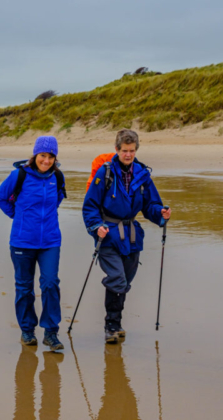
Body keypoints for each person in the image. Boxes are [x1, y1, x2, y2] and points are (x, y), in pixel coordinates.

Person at [82, 129, 171, 343]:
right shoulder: (105, 173)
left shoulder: (142, 173)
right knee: (118, 279)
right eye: (124, 151)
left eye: (131, 151)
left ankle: (116, 323)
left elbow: (151, 205)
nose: (128, 155)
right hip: (108, 235)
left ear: (136, 150)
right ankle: (111, 326)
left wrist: (160, 213)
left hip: (132, 237)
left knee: (125, 281)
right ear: (117, 150)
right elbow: (89, 207)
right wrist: (96, 226)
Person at [0, 135, 66, 351]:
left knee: (50, 283)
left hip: (50, 241)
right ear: (35, 155)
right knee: (25, 288)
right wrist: (18, 216)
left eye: (51, 156)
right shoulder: (20, 175)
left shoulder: (58, 177)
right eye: (43, 156)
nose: (47, 160)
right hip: (22, 242)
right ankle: (27, 331)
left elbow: (58, 200)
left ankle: (51, 333)